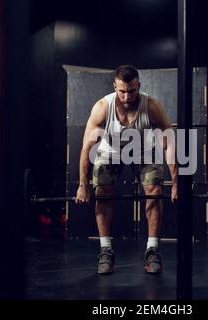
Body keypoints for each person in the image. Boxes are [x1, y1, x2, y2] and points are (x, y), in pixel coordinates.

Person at [75, 65, 178, 275]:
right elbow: (86, 148)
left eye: (132, 91)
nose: (127, 96)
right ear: (115, 87)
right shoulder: (103, 107)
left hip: (144, 150)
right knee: (102, 193)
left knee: (155, 191)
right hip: (110, 150)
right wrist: (83, 185)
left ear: (138, 85)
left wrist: (176, 183)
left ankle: (152, 250)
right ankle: (105, 250)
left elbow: (169, 144)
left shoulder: (151, 107)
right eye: (122, 91)